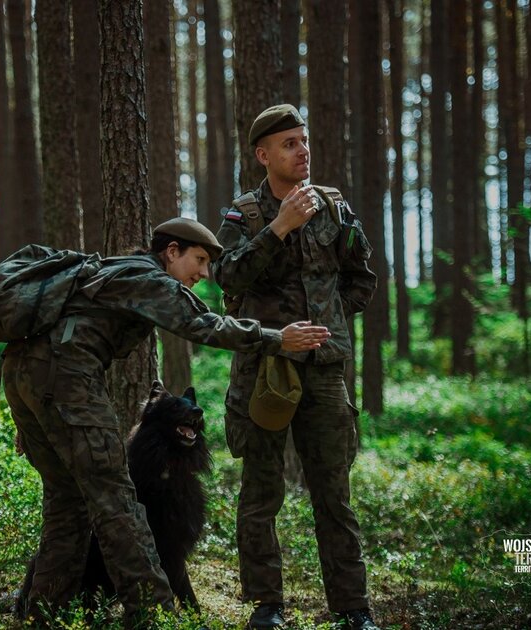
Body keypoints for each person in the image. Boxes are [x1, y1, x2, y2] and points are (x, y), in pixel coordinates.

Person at [2, 217, 330, 628]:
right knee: (117, 499)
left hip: (27, 376)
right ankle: (153, 614)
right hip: (62, 380)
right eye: (199, 260)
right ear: (171, 252)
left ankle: (43, 613)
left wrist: (36, 414)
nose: (205, 273)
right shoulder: (150, 278)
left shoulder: (116, 269)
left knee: (67, 504)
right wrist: (276, 337)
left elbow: (64, 337)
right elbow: (204, 325)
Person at [212, 104, 380, 630]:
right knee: (262, 492)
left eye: (304, 141)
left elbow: (361, 278)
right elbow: (229, 278)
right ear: (264, 155)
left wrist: (327, 322)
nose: (302, 151)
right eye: (289, 143)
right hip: (264, 369)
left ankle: (353, 610)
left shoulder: (333, 206)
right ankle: (267, 607)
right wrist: (280, 227)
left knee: (334, 495)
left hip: (324, 371)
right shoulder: (244, 214)